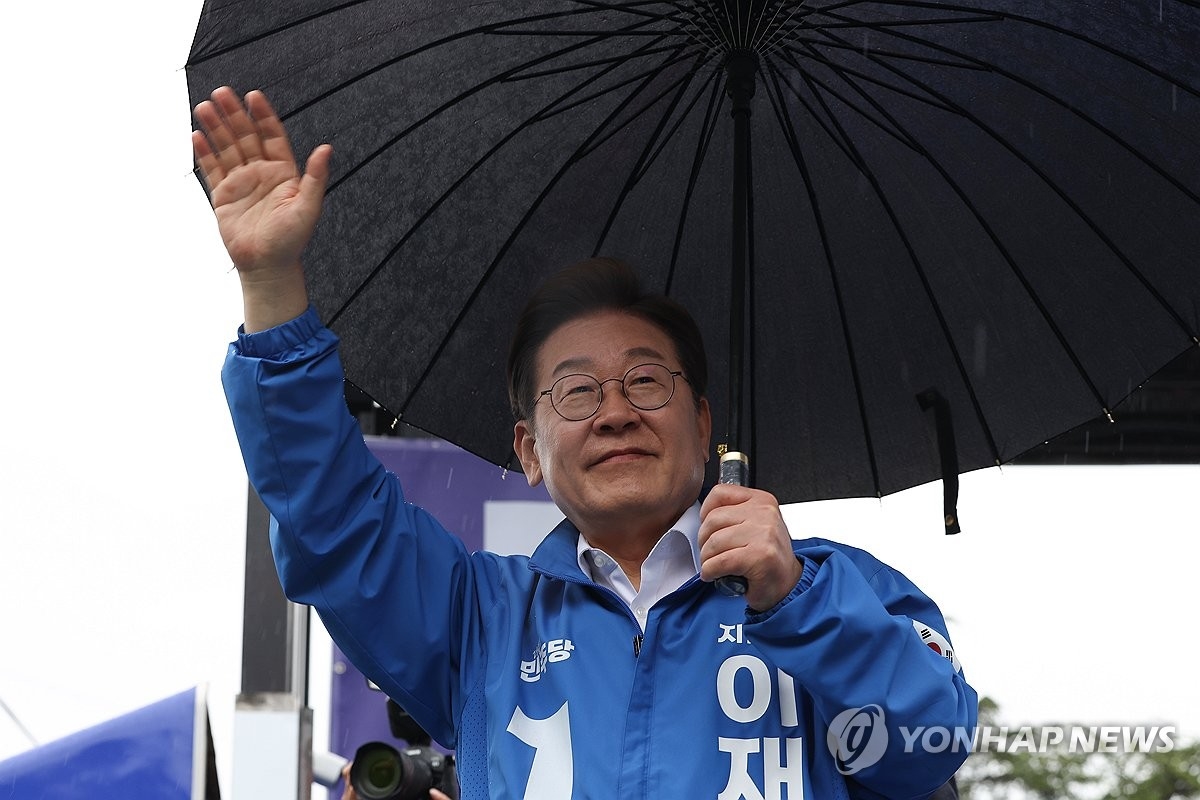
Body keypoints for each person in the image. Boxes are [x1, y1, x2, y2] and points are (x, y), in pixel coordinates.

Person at [193, 85, 978, 799]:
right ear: (529, 451)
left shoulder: (843, 589)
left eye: (646, 380)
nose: (615, 413)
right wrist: (271, 285)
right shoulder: (480, 620)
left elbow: (927, 747)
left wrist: (797, 599)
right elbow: (332, 522)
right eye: (576, 391)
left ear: (704, 422)